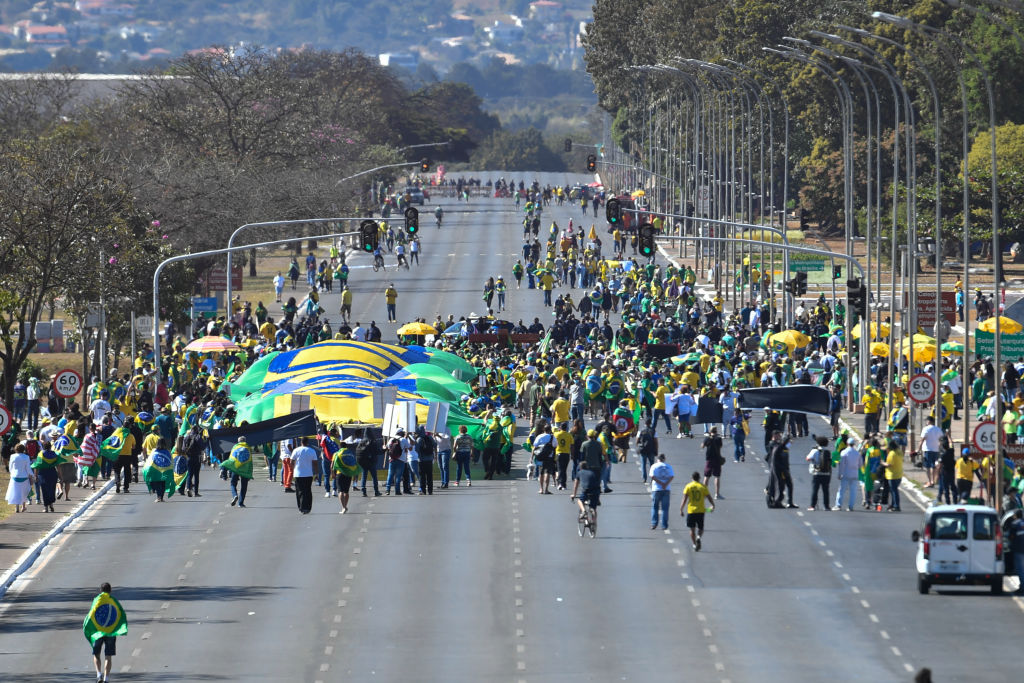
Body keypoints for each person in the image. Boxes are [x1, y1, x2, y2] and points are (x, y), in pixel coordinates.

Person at [84, 582, 127, 683]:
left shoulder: (97, 600)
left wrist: (87, 626)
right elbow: (121, 613)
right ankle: (106, 679)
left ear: (101, 590)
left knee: (96, 654)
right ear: (110, 590)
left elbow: (91, 614)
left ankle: (99, 675)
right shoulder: (113, 600)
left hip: (98, 632)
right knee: (108, 656)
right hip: (110, 632)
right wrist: (120, 627)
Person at [680, 471, 715, 551]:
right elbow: (709, 497)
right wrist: (713, 505)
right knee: (701, 528)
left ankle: (694, 544)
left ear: (692, 478)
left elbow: (684, 499)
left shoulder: (688, 486)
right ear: (699, 478)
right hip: (701, 511)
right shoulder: (702, 487)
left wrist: (681, 509)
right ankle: (699, 537)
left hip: (691, 511)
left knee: (692, 529)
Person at [288, 436, 320, 514]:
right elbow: (315, 464)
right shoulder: (312, 451)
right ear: (307, 442)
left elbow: (291, 462)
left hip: (298, 474)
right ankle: (308, 508)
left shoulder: (296, 450)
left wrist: (293, 469)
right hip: (308, 474)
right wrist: (316, 474)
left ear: (301, 442)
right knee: (308, 491)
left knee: (299, 491)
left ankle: (301, 507)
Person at [768, 431, 796, 508]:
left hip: (785, 469)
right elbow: (782, 446)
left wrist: (790, 440)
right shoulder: (775, 446)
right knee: (780, 486)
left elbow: (786, 446)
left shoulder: (783, 447)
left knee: (790, 485)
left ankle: (790, 502)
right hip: (779, 470)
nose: (779, 437)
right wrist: (786, 439)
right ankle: (777, 501)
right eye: (778, 436)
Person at [805, 435, 833, 511]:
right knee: (826, 491)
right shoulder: (828, 452)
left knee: (815, 490)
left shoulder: (815, 451)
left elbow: (807, 458)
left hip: (817, 473)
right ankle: (826, 506)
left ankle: (812, 506)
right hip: (826, 474)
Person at [833, 436, 861, 511]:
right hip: (854, 474)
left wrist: (839, 474)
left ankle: (838, 505)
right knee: (853, 491)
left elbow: (842, 465)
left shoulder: (844, 452)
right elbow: (860, 465)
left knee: (841, 490)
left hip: (846, 473)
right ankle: (850, 506)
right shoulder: (857, 453)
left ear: (847, 443)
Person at [649, 453, 674, 530]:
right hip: (666, 489)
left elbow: (652, 476)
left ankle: (654, 524)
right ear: (664, 459)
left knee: (655, 507)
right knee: (665, 508)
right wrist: (665, 484)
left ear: (658, 459)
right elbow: (672, 476)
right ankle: (664, 525)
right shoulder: (668, 466)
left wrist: (660, 483)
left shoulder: (654, 466)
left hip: (656, 489)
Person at [5, 443, 33, 513]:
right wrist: (32, 475)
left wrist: (12, 473)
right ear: (23, 449)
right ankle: (23, 506)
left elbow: (10, 467)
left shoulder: (12, 456)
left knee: (16, 492)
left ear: (16, 449)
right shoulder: (26, 457)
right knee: (24, 492)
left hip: (15, 476)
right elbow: (28, 468)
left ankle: (16, 507)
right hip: (24, 476)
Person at [879, 440, 904, 512]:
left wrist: (882, 463)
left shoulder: (892, 454)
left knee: (894, 491)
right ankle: (893, 504)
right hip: (899, 473)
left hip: (892, 475)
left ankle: (896, 506)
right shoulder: (899, 452)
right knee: (894, 490)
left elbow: (889, 464)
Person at [918, 416, 943, 488]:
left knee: (928, 466)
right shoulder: (938, 429)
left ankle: (930, 481)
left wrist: (918, 449)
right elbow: (941, 440)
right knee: (934, 466)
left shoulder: (926, 429)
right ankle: (933, 480)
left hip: (927, 449)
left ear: (928, 421)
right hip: (936, 450)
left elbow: (922, 440)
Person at [702, 426, 724, 499]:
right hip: (717, 459)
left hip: (709, 459)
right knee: (717, 476)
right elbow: (720, 447)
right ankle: (717, 494)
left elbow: (702, 446)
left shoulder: (707, 438)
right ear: (716, 431)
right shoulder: (718, 438)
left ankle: (704, 493)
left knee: (706, 476)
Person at [1006, 509, 1024, 595]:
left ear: (1016, 516)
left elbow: (1010, 537)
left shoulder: (1014, 524)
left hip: (1019, 549)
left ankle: (1022, 587)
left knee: (1020, 569)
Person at [637, 418, 658, 485]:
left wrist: (639, 448)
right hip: (651, 449)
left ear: (645, 423)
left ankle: (644, 478)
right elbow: (656, 442)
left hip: (643, 450)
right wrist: (656, 450)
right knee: (652, 465)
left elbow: (637, 441)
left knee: (643, 464)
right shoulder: (653, 431)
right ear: (650, 423)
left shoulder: (641, 431)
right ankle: (653, 479)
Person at [415, 426, 435, 495]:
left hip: (422, 460)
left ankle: (423, 491)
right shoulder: (429, 437)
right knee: (430, 475)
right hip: (430, 459)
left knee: (422, 476)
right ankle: (430, 490)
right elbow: (435, 444)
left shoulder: (419, 439)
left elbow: (416, 449)